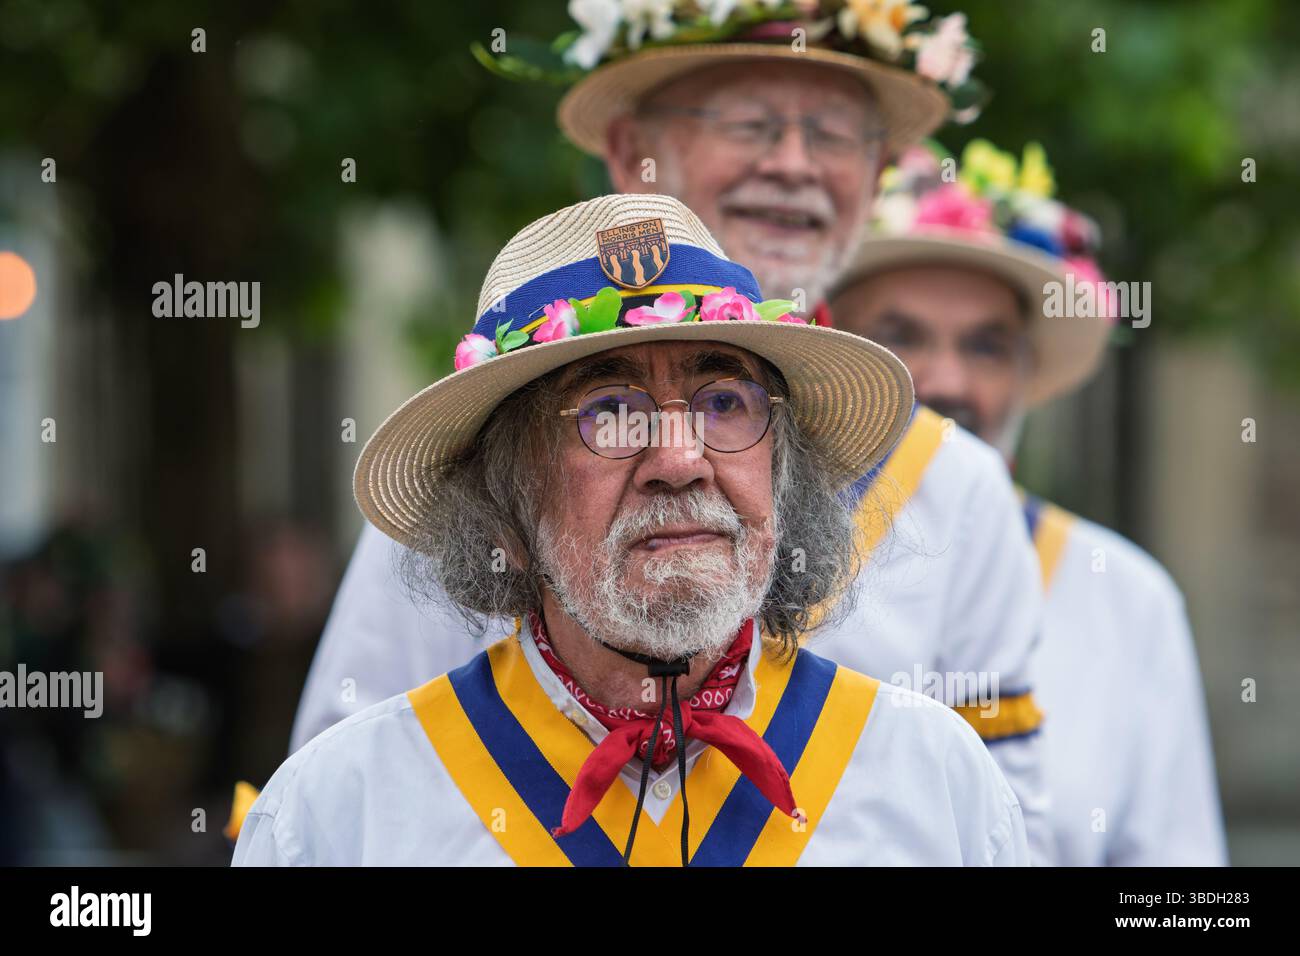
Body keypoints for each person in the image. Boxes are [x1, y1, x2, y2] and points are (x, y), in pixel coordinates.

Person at [288, 1, 1052, 859]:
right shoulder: (349, 790)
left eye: (728, 403)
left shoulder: (937, 766)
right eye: (609, 412)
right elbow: (367, 799)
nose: (681, 459)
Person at [827, 139, 1227, 865]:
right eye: (899, 338)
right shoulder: (768, 574)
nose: (946, 381)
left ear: (1026, 371)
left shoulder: (1128, 597)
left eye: (986, 346)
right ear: (835, 356)